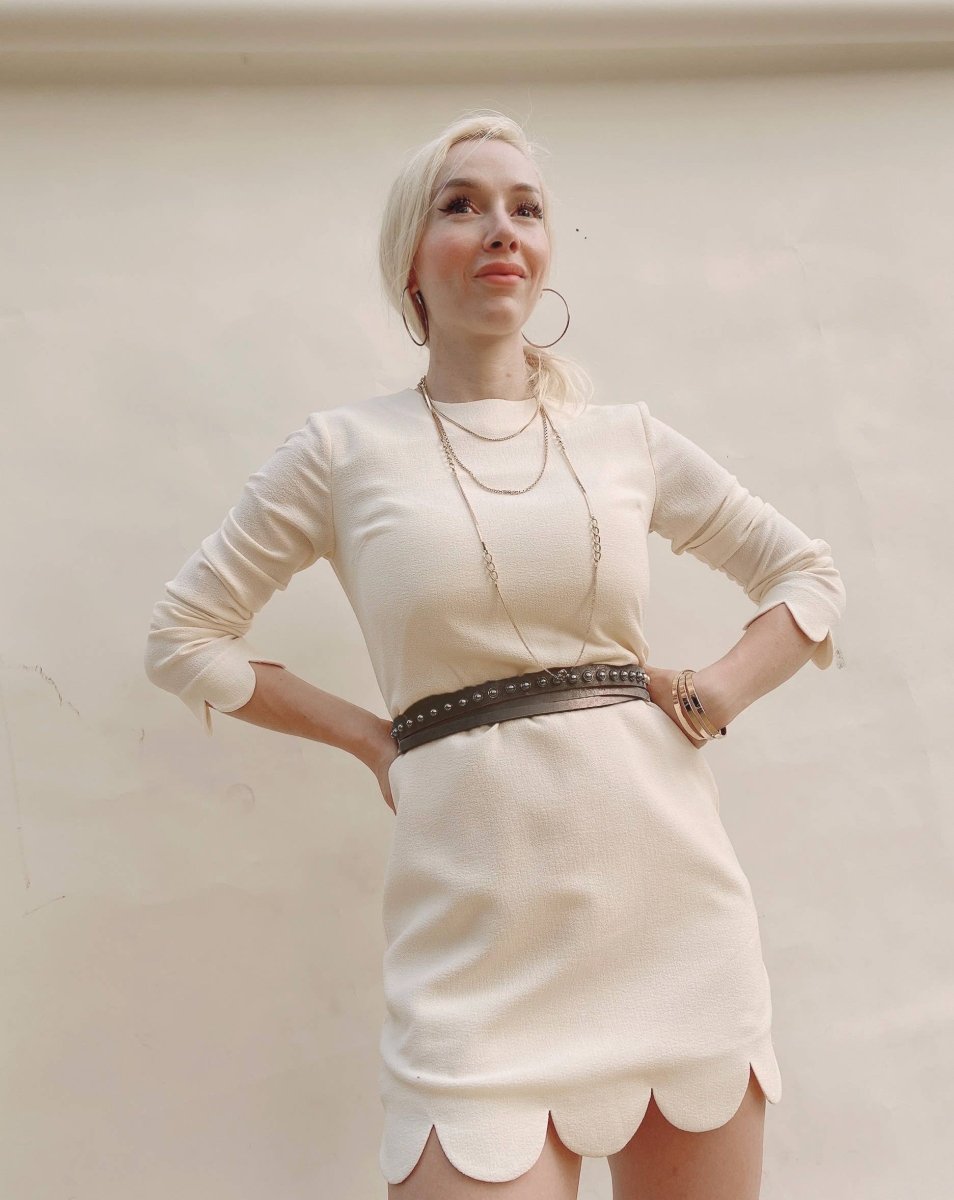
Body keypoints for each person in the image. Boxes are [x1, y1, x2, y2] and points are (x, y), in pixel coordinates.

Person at [144, 109, 847, 1200]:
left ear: (546, 252)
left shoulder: (626, 441)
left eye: (525, 209)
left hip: (674, 929)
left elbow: (808, 575)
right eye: (462, 205)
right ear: (411, 262)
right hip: (476, 956)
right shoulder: (340, 453)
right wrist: (372, 740)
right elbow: (183, 638)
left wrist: (716, 691)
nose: (500, 230)